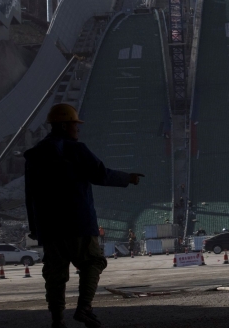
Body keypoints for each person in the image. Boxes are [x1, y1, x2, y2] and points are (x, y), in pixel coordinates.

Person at [25, 103, 144, 328]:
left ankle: (57, 319)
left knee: (55, 274)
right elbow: (99, 174)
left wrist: (35, 226)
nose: (77, 129)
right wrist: (128, 178)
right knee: (94, 261)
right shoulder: (76, 150)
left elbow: (29, 195)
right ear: (63, 125)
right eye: (74, 125)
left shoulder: (35, 155)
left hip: (48, 226)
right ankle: (84, 308)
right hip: (77, 221)